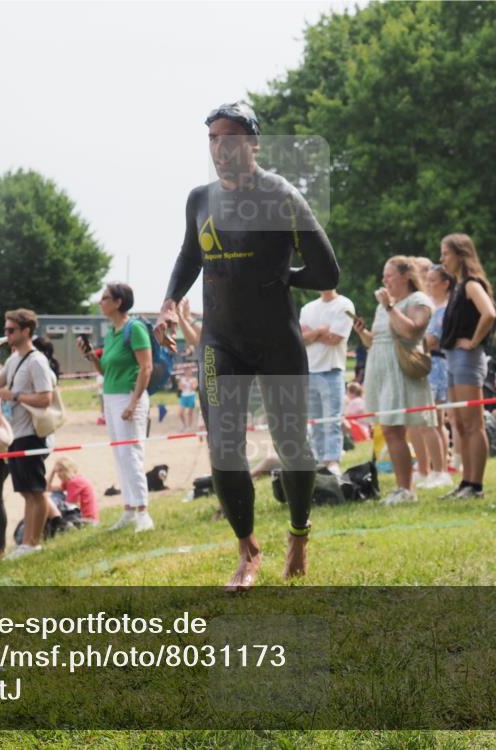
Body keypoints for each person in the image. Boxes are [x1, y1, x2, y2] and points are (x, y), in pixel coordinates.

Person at [154, 101, 339, 590]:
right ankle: (248, 549)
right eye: (213, 138)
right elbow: (189, 255)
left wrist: (280, 277)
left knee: (292, 446)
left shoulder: (281, 196)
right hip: (220, 343)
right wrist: (171, 302)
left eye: (230, 138)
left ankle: (298, 535)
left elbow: (327, 271)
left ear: (253, 144)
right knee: (224, 450)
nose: (220, 147)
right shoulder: (199, 200)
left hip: (277, 341)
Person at [352, 256, 435, 503]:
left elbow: (412, 331)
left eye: (388, 275)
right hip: (381, 370)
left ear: (405, 276)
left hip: (401, 371)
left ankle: (406, 489)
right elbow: (374, 340)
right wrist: (361, 332)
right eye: (384, 276)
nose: (384, 280)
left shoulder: (418, 300)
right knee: (389, 430)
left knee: (393, 429)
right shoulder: (383, 304)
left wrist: (390, 307)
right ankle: (403, 488)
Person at [79, 283, 154, 533]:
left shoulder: (136, 329)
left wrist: (133, 402)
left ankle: (144, 512)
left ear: (118, 302)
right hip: (111, 398)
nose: (101, 302)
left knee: (132, 454)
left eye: (105, 298)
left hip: (128, 396)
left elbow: (146, 367)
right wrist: (91, 356)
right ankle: (129, 509)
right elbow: (105, 370)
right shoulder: (112, 332)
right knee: (120, 455)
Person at [438, 234, 496, 499]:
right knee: (459, 424)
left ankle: (476, 485)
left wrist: (474, 341)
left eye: (445, 254)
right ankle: (466, 482)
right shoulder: (458, 286)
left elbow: (490, 313)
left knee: (473, 424)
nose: (442, 259)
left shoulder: (472, 284)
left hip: (466, 359)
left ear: (460, 255)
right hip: (451, 356)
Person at [0, 309, 55, 558]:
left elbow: (46, 398)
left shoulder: (36, 361)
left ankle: (33, 543)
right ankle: (27, 543)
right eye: (6, 330)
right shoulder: (13, 359)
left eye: (11, 330)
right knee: (25, 491)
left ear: (26, 331)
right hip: (15, 433)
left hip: (31, 433)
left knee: (36, 490)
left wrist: (16, 396)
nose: (6, 334)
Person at [300, 289, 355, 477]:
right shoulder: (308, 308)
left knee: (332, 420)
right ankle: (319, 460)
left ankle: (332, 461)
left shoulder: (344, 304)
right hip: (309, 371)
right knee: (315, 422)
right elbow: (301, 339)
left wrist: (312, 335)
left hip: (332, 371)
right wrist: (321, 331)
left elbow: (335, 339)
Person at [414, 263, 454, 489]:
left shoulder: (444, 309)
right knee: (428, 421)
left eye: (432, 281)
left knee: (435, 421)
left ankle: (440, 470)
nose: (428, 285)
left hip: (436, 364)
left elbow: (432, 339)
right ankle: (428, 468)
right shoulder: (431, 306)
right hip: (427, 362)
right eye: (426, 280)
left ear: (445, 283)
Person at [47, 458, 99, 525]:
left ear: (68, 469)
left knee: (54, 500)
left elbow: (70, 504)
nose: (58, 474)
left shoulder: (74, 482)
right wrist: (52, 472)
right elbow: (47, 488)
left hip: (88, 520)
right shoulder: (72, 480)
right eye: (56, 472)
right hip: (90, 519)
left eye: (60, 471)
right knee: (56, 494)